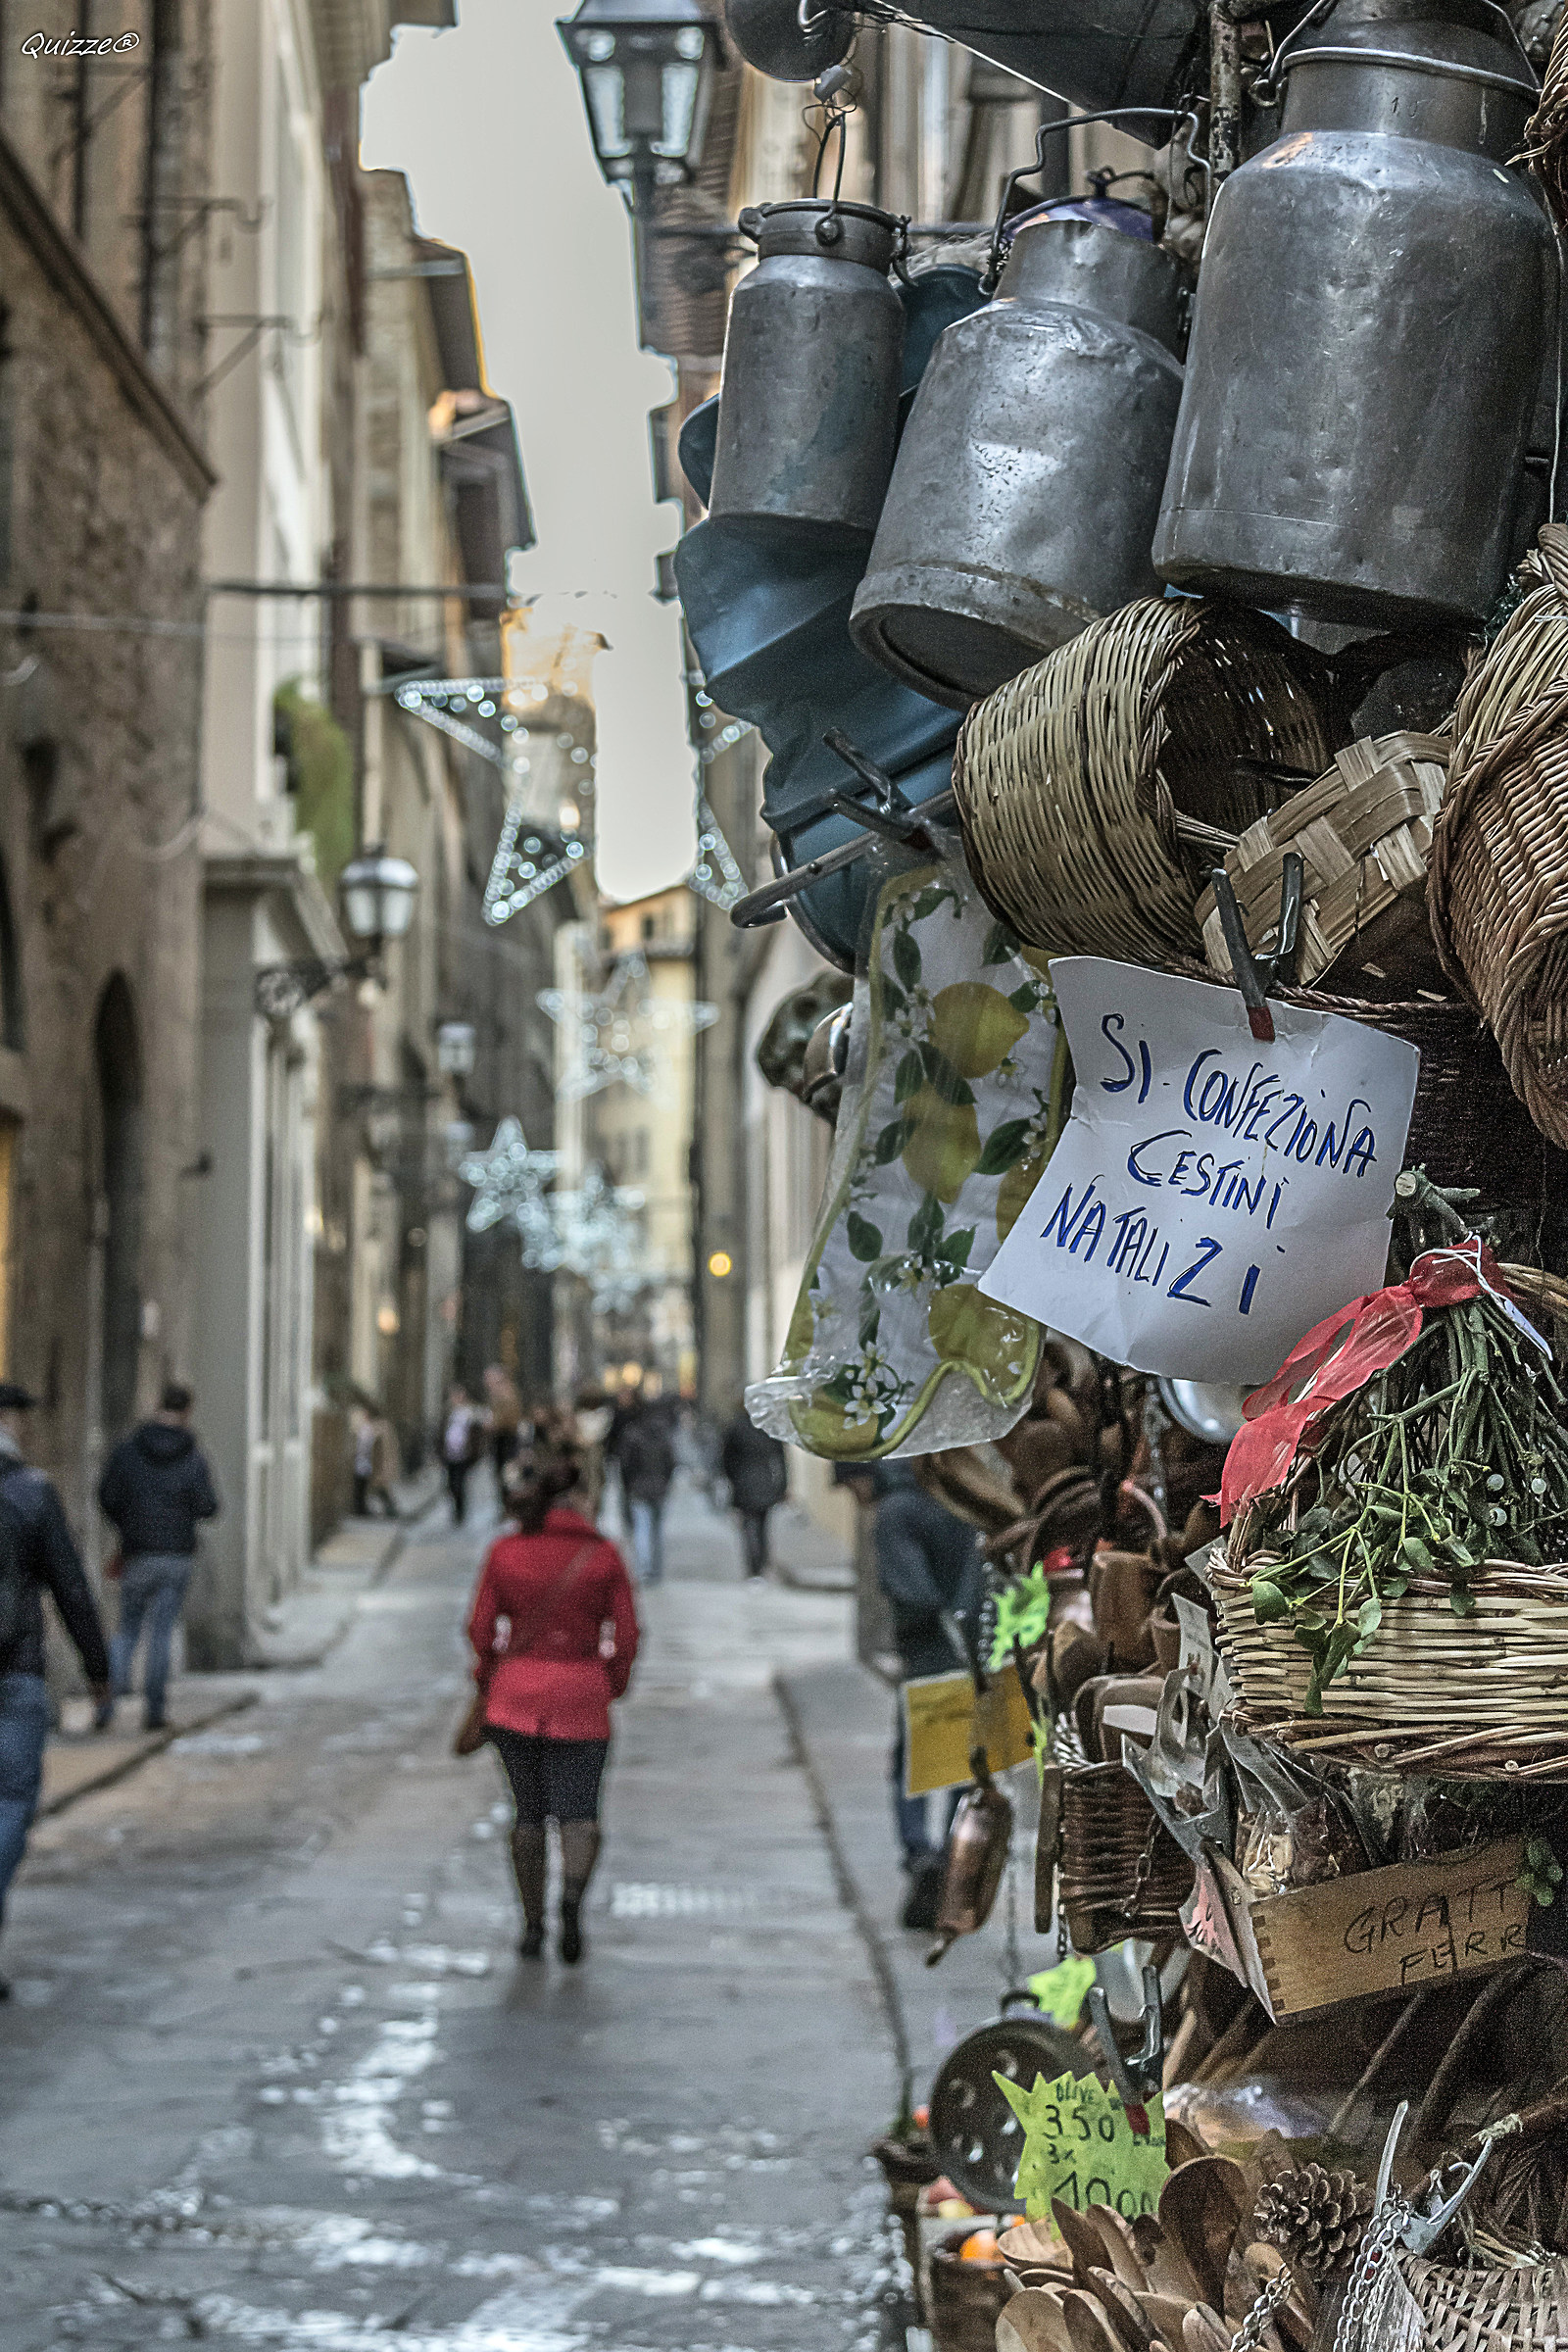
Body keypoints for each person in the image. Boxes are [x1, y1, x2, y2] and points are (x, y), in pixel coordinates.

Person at [463, 1456, 639, 1963]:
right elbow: (627, 1634)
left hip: (515, 1699)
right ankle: (572, 1903)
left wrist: (489, 1677)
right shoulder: (603, 1555)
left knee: (528, 1813)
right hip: (582, 1698)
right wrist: (611, 1682)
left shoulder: (505, 1551)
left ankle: (532, 1924)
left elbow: (480, 1629)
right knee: (580, 1812)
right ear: (582, 1500)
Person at [0, 1382, 112, 1996]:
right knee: (10, 1805)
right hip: (15, 1673)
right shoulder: (31, 1492)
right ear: (10, 1422)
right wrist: (98, 1670)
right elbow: (70, 1586)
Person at [840, 1461, 982, 1932]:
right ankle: (951, 1852)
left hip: (929, 1654)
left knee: (911, 1765)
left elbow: (911, 1588)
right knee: (961, 1764)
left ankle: (921, 1855)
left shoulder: (896, 1511)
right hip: (971, 1652)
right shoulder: (958, 1502)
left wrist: (930, 1620)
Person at [97, 1381, 220, 1733]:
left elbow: (107, 1495)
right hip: (176, 1555)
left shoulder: (129, 1450)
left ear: (157, 1406)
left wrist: (128, 1525)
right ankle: (154, 1712)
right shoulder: (193, 1455)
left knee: (126, 1630)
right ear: (187, 1412)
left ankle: (106, 1707)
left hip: (137, 1552)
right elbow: (208, 1505)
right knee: (161, 1633)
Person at [719, 1403, 788, 1579]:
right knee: (762, 1525)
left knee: (750, 1526)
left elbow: (726, 1458)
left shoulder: (737, 1427)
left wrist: (733, 1478)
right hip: (765, 1484)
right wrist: (782, 1486)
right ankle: (761, 1564)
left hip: (744, 1484)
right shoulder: (769, 1428)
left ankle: (755, 1566)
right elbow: (780, 1459)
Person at [616, 1398, 675, 1587]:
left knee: (642, 1528)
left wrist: (628, 1485)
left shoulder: (632, 1434)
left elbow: (625, 1464)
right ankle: (656, 1569)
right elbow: (671, 1463)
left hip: (638, 1488)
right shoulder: (664, 1435)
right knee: (657, 1530)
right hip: (659, 1488)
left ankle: (643, 1568)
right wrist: (665, 1482)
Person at [441, 1383, 484, 1526]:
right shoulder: (448, 1412)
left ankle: (460, 1512)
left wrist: (474, 1452)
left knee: (459, 1483)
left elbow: (477, 1433)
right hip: (449, 1454)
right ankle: (455, 1509)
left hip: (464, 1454)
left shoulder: (470, 1412)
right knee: (450, 1484)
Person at [351, 1402, 398, 1518]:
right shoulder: (379, 1427)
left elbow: (368, 1447)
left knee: (375, 1488)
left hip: (373, 1464)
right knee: (371, 1488)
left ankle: (389, 1510)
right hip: (371, 1464)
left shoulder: (375, 1428)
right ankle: (388, 1509)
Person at [482, 1365, 522, 1489]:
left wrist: (493, 1425)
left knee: (507, 1477)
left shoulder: (507, 1394)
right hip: (499, 1440)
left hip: (507, 1439)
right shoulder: (495, 1395)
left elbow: (509, 1419)